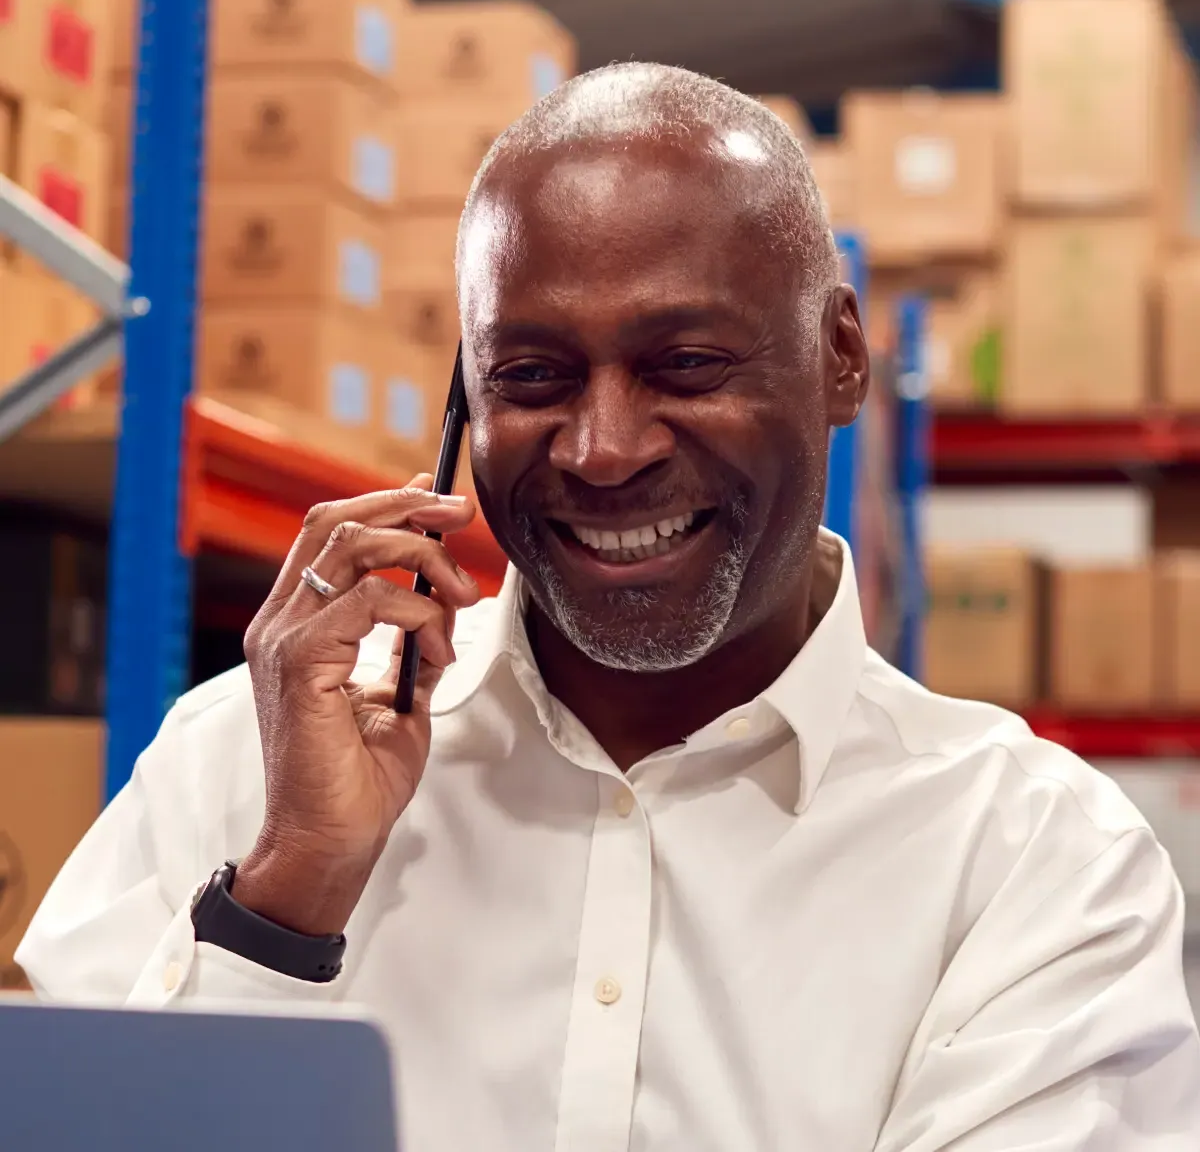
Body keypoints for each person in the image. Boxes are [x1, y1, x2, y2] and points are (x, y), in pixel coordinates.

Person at [17, 63, 1200, 1149]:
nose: (601, 449)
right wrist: (285, 899)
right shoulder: (241, 772)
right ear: (462, 407)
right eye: (531, 378)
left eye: (686, 364)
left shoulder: (1034, 865)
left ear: (841, 357)